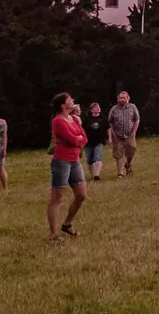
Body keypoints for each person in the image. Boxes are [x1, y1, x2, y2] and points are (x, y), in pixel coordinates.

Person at [48, 93, 88, 241]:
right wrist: (78, 139)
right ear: (63, 106)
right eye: (70, 100)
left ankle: (67, 224)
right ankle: (53, 234)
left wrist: (78, 139)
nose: (73, 101)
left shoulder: (74, 118)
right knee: (56, 199)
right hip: (61, 162)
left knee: (81, 196)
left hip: (74, 160)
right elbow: (72, 139)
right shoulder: (58, 121)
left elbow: (84, 137)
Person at [108, 90, 140, 177]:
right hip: (117, 136)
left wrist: (134, 132)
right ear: (118, 99)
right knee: (118, 154)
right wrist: (112, 134)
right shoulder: (114, 109)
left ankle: (128, 164)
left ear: (128, 98)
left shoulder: (133, 107)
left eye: (124, 98)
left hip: (129, 135)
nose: (122, 99)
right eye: (120, 98)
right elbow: (109, 122)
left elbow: (137, 119)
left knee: (131, 152)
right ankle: (120, 173)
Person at [83, 101, 108, 180]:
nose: (98, 109)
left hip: (99, 141)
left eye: (98, 107)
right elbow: (82, 130)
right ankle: (92, 175)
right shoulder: (87, 119)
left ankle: (97, 175)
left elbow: (108, 128)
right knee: (90, 159)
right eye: (95, 107)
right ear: (91, 110)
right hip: (88, 142)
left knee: (97, 157)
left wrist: (110, 137)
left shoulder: (103, 118)